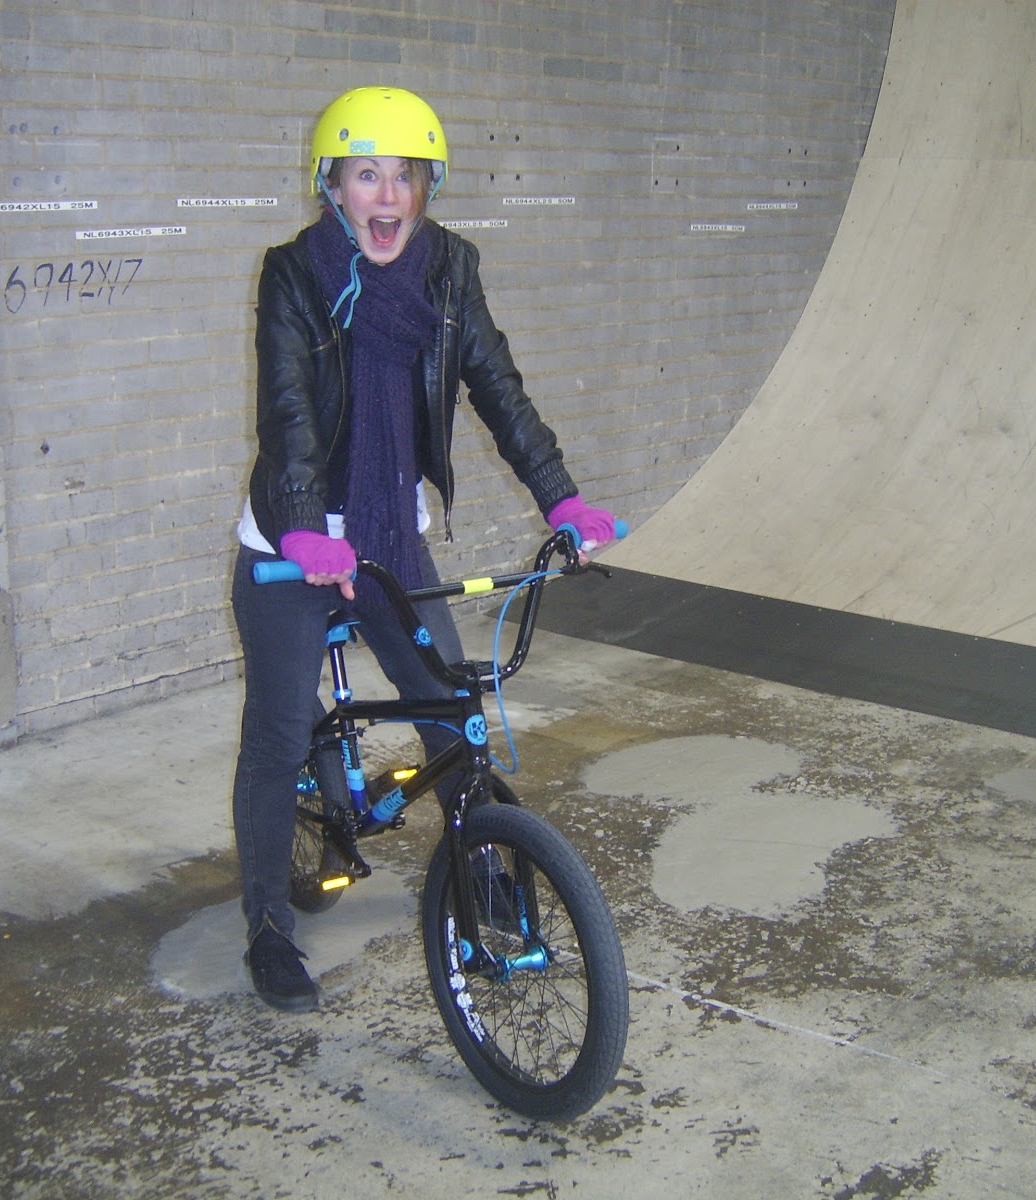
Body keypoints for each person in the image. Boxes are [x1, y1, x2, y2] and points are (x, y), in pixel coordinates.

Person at [230, 85, 617, 1012]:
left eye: (406, 175)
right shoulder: (293, 275)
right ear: (333, 186)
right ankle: (268, 928)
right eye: (367, 174)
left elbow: (497, 385)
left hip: (389, 539)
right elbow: (287, 410)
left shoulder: (449, 271)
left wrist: (562, 497)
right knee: (279, 735)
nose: (389, 195)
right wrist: (302, 527)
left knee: (452, 710)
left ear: (426, 187)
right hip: (293, 546)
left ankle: (482, 862)